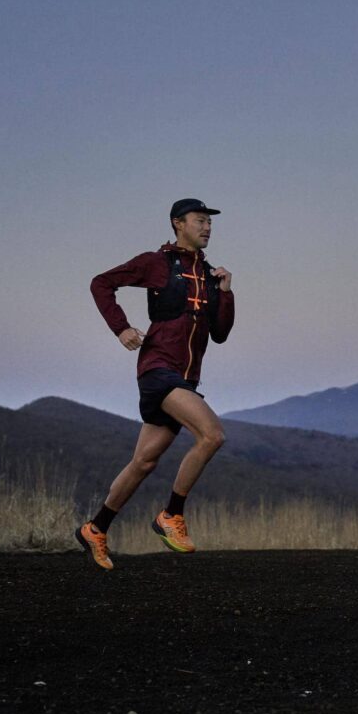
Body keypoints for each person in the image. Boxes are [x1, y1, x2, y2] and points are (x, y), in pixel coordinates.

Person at [76, 198, 236, 570]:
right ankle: (171, 516)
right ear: (178, 223)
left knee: (144, 461)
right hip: (158, 370)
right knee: (212, 435)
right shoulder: (158, 263)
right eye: (200, 221)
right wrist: (122, 328)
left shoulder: (210, 275)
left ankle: (96, 528)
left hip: (184, 379)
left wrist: (225, 292)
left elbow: (222, 333)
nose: (207, 227)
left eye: (210, 223)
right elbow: (102, 283)